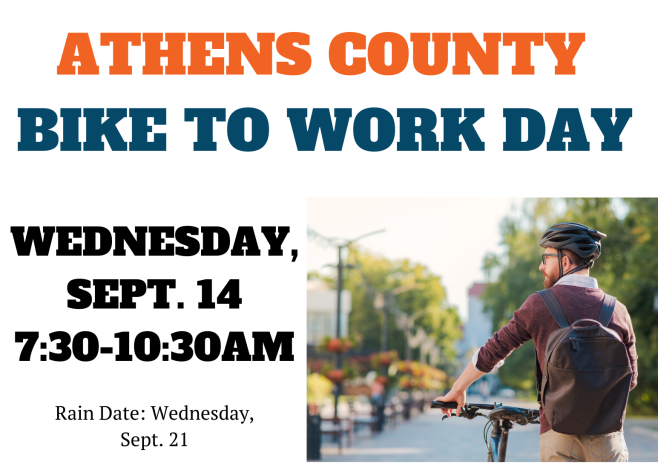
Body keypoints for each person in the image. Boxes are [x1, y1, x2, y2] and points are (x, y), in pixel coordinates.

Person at [433, 222, 638, 462]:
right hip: (609, 442)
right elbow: (630, 379)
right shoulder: (618, 311)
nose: (541, 266)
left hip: (558, 437)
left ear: (564, 262)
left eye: (546, 257)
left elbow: (494, 351)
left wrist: (458, 389)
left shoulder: (539, 304)